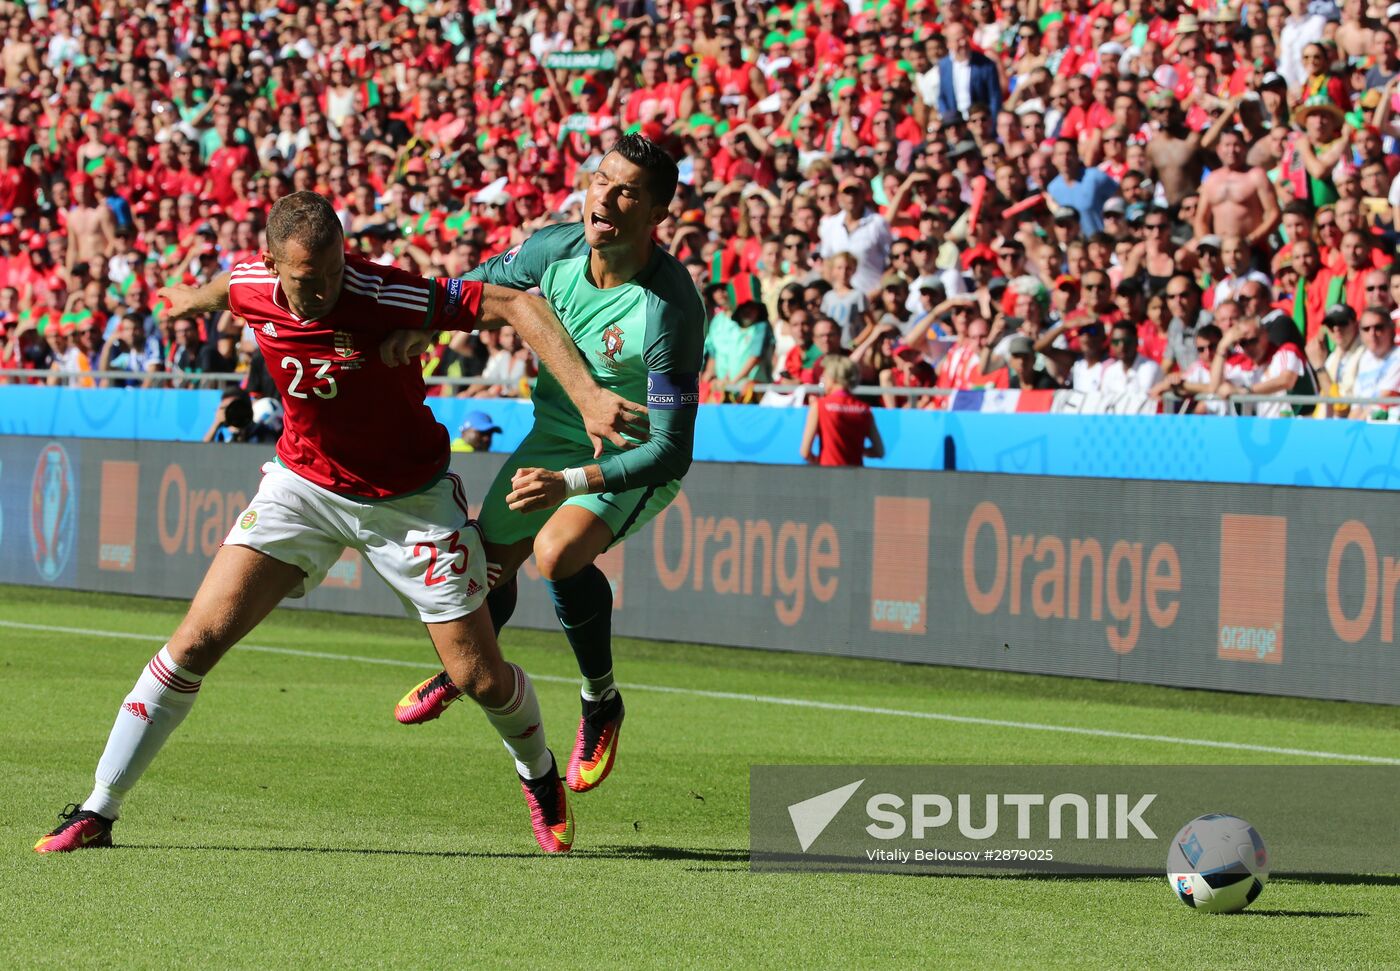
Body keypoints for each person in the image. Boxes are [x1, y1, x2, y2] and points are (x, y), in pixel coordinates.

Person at [34, 191, 641, 857]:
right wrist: (186, 300)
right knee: (197, 639)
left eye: (332, 270)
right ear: (274, 265)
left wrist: (587, 397)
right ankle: (99, 807)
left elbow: (516, 303)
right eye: (305, 278)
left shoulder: (384, 293)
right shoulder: (251, 285)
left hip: (409, 501)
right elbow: (224, 289)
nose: (324, 288)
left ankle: (541, 775)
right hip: (303, 488)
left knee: (479, 677)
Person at [381, 136, 706, 799]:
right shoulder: (552, 249)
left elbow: (672, 449)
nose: (606, 199)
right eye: (601, 181)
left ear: (655, 215)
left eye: (628, 193)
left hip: (628, 456)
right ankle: (468, 667)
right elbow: (478, 286)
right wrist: (426, 328)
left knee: (557, 553)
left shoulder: (669, 308)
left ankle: (600, 700)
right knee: (484, 565)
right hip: (552, 435)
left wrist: (571, 483)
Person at [800, 355, 884, 466]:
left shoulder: (820, 406)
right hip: (856, 477)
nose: (823, 380)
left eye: (824, 376)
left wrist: (818, 462)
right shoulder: (864, 409)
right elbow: (879, 451)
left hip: (828, 473)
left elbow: (805, 452)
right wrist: (856, 449)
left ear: (832, 378)